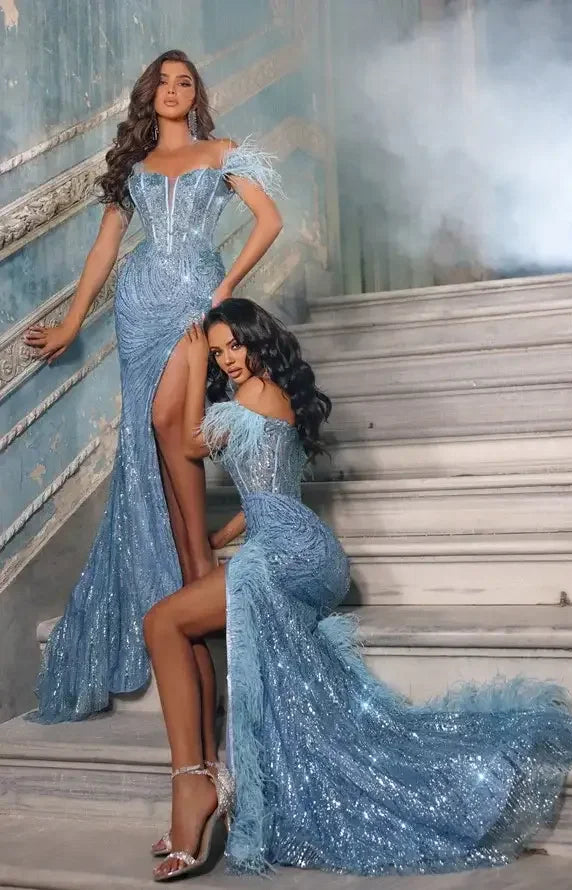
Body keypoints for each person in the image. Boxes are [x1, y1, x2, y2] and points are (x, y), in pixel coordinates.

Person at [144, 297, 572, 882]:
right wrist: (224, 534)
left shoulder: (252, 394)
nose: (229, 358)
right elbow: (269, 489)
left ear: (259, 340)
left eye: (236, 344)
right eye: (219, 350)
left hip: (287, 551)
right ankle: (202, 779)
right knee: (192, 623)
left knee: (161, 623)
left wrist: (191, 361)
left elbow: (183, 443)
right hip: (306, 547)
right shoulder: (271, 393)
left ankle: (194, 787)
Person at [24, 49, 282, 725]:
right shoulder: (133, 167)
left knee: (173, 422)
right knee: (152, 437)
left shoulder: (221, 152)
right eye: (162, 82)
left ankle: (197, 559)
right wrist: (72, 322)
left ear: (196, 96)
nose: (172, 90)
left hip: (196, 297)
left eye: (184, 82)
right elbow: (105, 249)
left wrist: (225, 289)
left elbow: (269, 221)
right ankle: (192, 565)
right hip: (138, 305)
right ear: (150, 94)